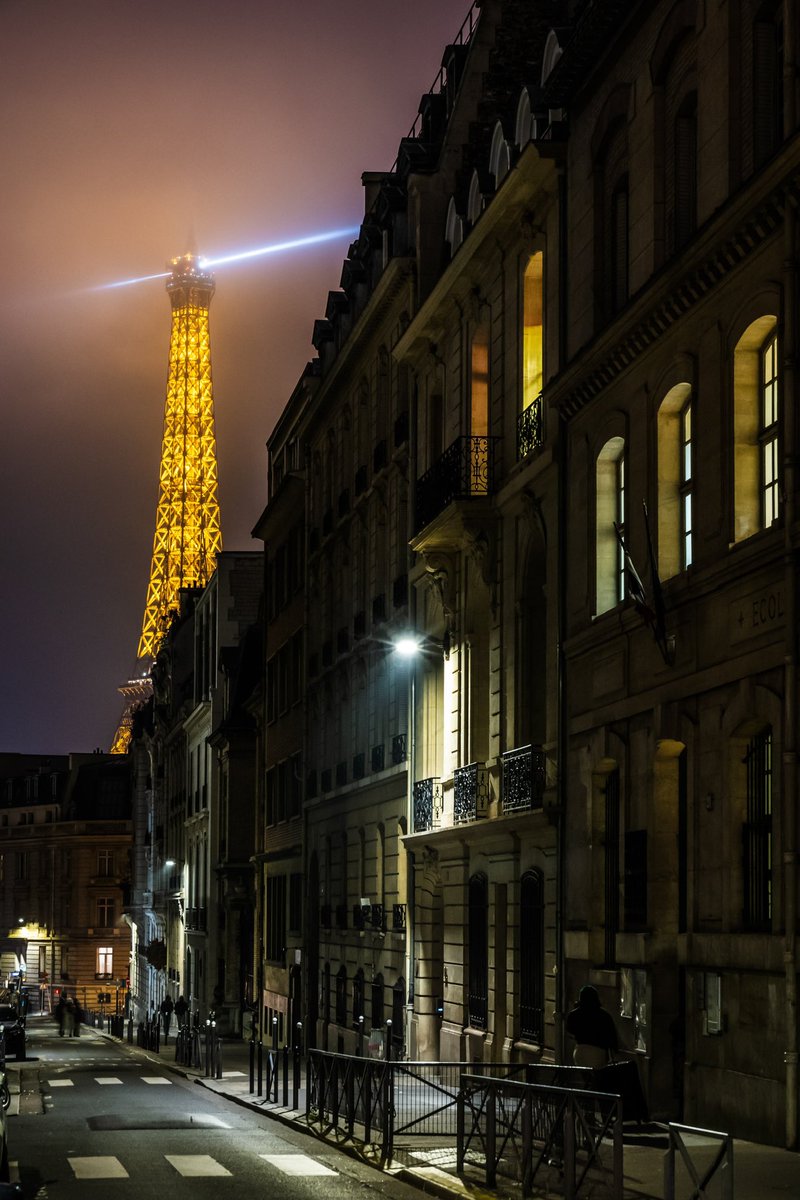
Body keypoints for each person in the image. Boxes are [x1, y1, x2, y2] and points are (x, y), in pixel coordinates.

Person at [566, 985, 618, 1068]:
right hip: (598, 1051)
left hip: (580, 1051)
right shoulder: (604, 1015)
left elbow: (570, 1030)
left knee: (586, 1077)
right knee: (597, 1078)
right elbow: (611, 1035)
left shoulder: (573, 1014)